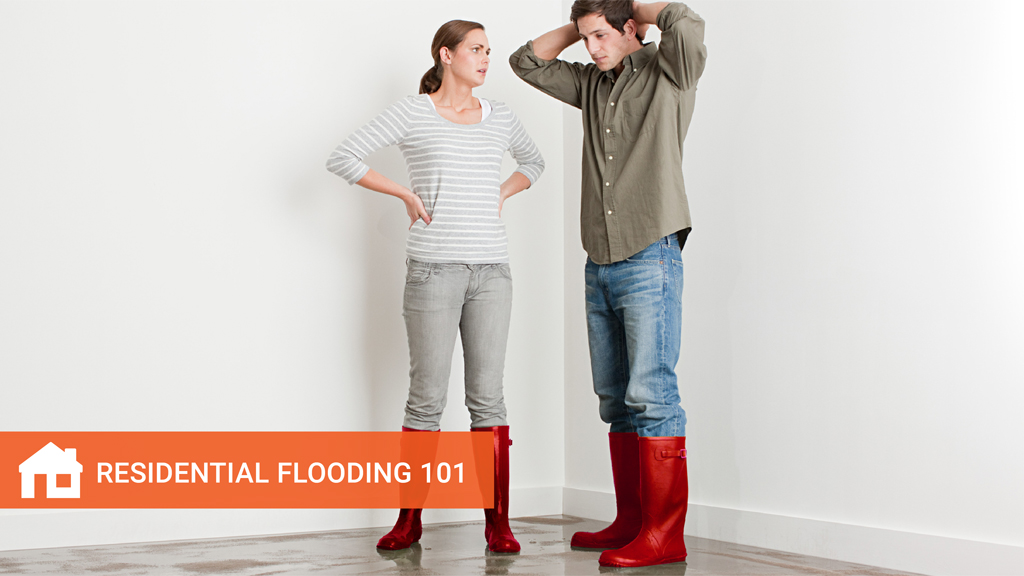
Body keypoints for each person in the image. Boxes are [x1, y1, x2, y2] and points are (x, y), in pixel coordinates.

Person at [327, 20, 545, 554]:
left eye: (489, 51)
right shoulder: (413, 111)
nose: (486, 58)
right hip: (432, 271)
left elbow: (534, 162)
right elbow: (343, 157)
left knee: (488, 401)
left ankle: (498, 525)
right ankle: (409, 521)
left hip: (492, 272)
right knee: (426, 401)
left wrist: (501, 191)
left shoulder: (501, 119)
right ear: (445, 55)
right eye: (476, 49)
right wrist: (403, 192)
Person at [509, 0, 705, 568]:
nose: (592, 49)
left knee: (652, 394)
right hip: (600, 257)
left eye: (602, 36)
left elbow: (689, 27)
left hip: (651, 252)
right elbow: (526, 63)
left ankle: (665, 535)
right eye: (586, 38)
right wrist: (583, 21)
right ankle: (633, 521)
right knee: (616, 398)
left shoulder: (670, 70)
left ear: (630, 30)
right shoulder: (591, 84)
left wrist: (639, 9)